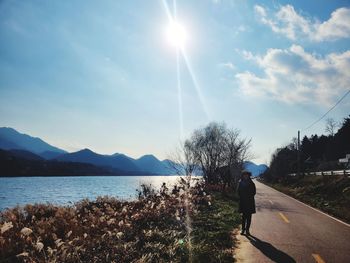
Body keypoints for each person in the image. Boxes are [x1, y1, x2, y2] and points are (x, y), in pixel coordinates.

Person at [238, 170, 256, 235]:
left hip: (249, 202)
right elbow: (238, 191)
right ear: (242, 176)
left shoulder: (252, 183)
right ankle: (243, 229)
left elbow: (254, 192)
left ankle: (247, 230)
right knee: (243, 217)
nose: (245, 176)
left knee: (249, 217)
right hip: (243, 202)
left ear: (249, 176)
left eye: (247, 175)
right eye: (244, 175)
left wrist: (248, 196)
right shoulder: (240, 183)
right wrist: (242, 197)